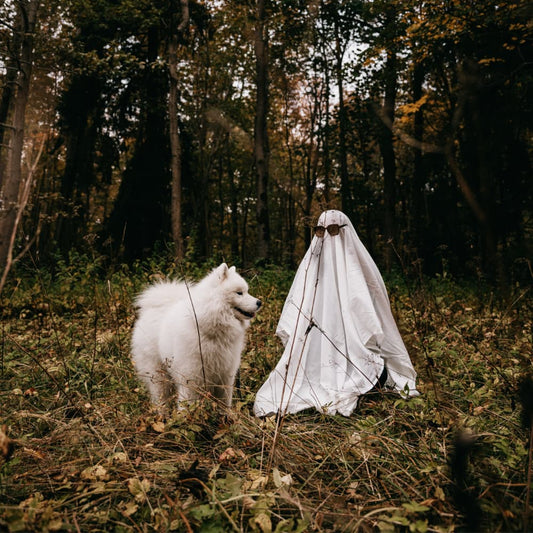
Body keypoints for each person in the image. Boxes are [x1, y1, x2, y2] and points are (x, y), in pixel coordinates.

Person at [254, 209, 419, 417]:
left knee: (366, 365)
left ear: (344, 230)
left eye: (333, 230)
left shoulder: (359, 269)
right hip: (314, 346)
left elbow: (372, 311)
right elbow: (297, 303)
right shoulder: (310, 270)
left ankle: (362, 379)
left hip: (359, 350)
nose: (326, 237)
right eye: (320, 231)